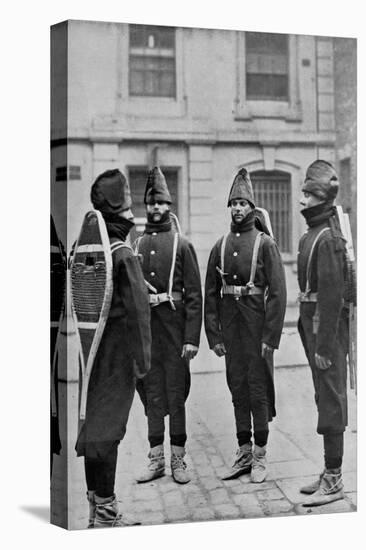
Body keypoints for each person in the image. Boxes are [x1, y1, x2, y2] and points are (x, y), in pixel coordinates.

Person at [75, 169, 151, 528]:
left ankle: (95, 508)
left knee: (94, 428)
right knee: (109, 432)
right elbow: (139, 313)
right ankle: (106, 514)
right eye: (129, 205)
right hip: (119, 359)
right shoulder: (123, 254)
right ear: (121, 211)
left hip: (90, 359)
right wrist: (143, 363)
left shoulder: (85, 250)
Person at [204, 168, 286, 483]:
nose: (238, 208)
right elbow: (210, 293)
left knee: (257, 389)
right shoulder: (220, 245)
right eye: (234, 203)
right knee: (237, 388)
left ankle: (261, 455)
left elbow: (278, 293)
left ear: (252, 207)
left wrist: (271, 338)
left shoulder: (265, 244)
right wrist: (214, 336)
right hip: (231, 331)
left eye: (243, 203)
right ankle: (243, 452)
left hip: (257, 332)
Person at [135, 166, 202, 485]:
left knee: (175, 397)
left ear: (170, 206)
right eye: (152, 203)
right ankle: (155, 460)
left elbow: (194, 296)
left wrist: (191, 339)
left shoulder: (182, 244)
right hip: (148, 336)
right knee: (152, 396)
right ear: (144, 206)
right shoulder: (136, 244)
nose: (157, 208)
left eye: (162, 203)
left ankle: (178, 459)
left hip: (175, 335)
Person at [297, 160, 349, 506]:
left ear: (320, 199)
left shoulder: (327, 238)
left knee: (330, 399)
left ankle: (335, 478)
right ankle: (328, 470)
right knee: (322, 396)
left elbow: (332, 296)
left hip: (324, 330)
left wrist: (326, 345)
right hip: (312, 327)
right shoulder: (312, 234)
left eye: (307, 195)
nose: (301, 201)